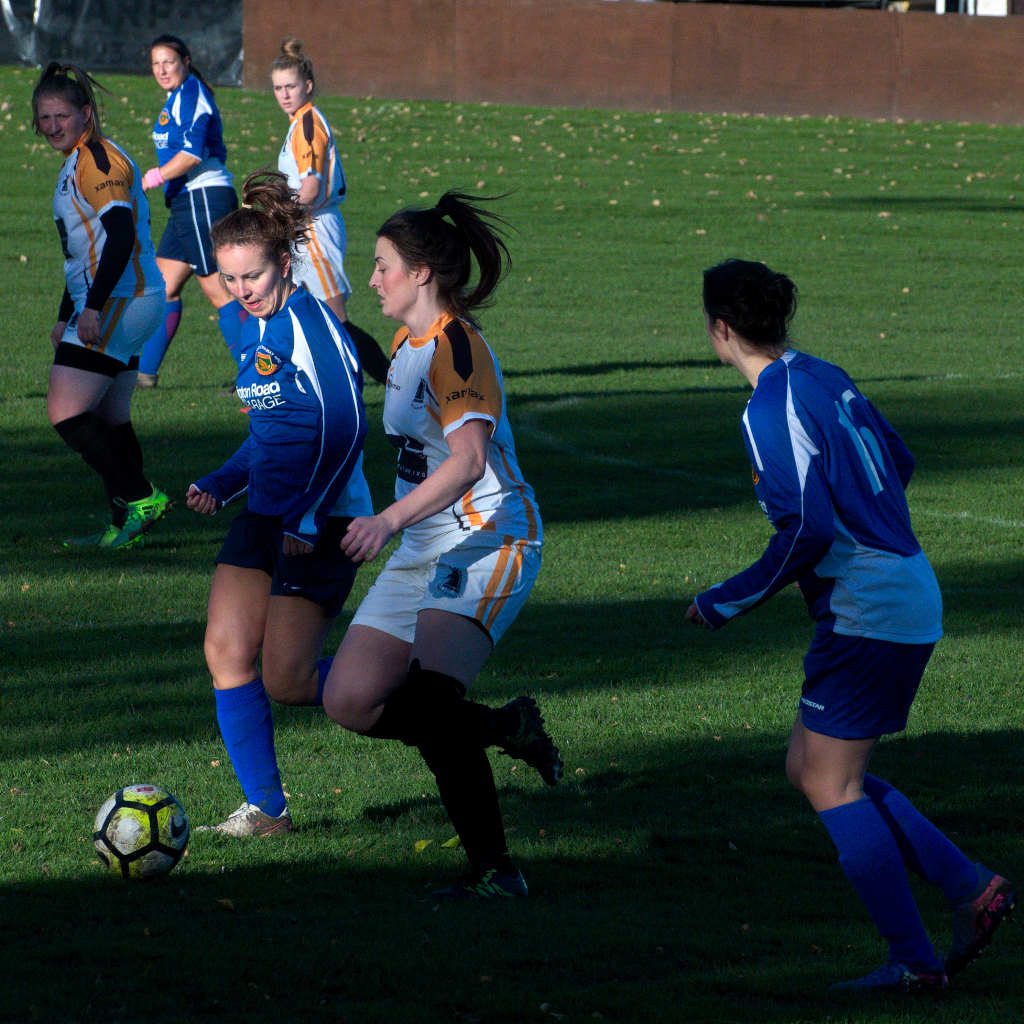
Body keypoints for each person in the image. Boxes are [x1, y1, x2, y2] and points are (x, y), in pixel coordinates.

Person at [685, 258, 1015, 991]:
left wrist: (723, 599)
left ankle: (914, 962)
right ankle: (970, 888)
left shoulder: (767, 408)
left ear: (721, 329)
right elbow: (899, 459)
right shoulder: (822, 373)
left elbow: (804, 527)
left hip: (871, 609)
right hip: (897, 591)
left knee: (832, 784)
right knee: (812, 769)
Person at [321, 191, 562, 899]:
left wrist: (387, 520)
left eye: (382, 266)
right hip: (427, 540)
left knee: (429, 705)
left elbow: (467, 461)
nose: (373, 278)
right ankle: (506, 724)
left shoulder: (457, 347)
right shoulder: (407, 342)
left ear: (423, 273)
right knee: (351, 699)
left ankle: (496, 871)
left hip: (490, 537)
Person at [186, 171, 371, 837]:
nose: (242, 292)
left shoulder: (310, 323)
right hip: (268, 514)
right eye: (232, 280)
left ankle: (433, 699)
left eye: (253, 279)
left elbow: (345, 426)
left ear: (283, 265)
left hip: (322, 521)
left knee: (289, 679)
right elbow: (273, 429)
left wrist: (306, 514)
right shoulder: (253, 329)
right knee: (225, 649)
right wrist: (224, 480)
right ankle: (267, 811)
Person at [32, 62, 170, 549]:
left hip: (121, 298)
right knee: (111, 418)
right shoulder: (77, 162)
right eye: (43, 117)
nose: (52, 126)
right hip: (125, 297)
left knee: (65, 412)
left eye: (60, 116)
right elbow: (81, 253)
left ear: (85, 113)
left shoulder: (98, 159)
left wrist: (89, 309)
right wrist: (64, 313)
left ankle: (140, 497)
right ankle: (126, 524)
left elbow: (119, 237)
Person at [270, 37, 390, 385]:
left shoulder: (307, 125)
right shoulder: (299, 122)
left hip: (315, 229)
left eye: (291, 86)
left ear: (308, 85)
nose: (284, 94)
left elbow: (310, 190)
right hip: (305, 228)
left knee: (334, 320)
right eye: (278, 88)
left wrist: (276, 215)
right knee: (299, 312)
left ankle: (393, 383)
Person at [136, 34, 244, 387]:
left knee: (220, 290)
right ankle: (144, 375)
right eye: (156, 63)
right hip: (186, 202)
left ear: (185, 61)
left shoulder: (193, 94)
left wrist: (152, 178)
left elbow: (192, 153)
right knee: (162, 286)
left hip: (203, 199)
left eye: (168, 61)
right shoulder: (177, 97)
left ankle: (258, 376)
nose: (162, 69)